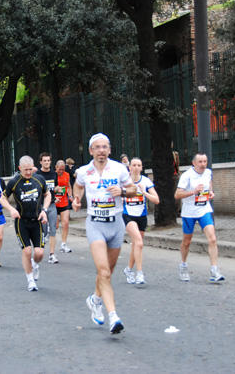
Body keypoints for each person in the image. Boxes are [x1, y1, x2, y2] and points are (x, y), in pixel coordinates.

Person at [73, 133, 136, 334]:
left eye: (105, 147)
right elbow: (78, 187)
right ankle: (113, 316)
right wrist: (76, 199)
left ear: (109, 149)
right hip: (95, 224)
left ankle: (95, 300)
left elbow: (134, 189)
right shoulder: (84, 171)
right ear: (91, 150)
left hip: (116, 224)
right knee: (104, 272)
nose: (101, 150)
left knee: (109, 268)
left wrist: (123, 192)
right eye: (97, 147)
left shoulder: (119, 169)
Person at [0, 155, 51, 291]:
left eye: (30, 169)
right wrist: (11, 209)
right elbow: (2, 198)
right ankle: (30, 281)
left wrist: (44, 210)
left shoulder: (39, 179)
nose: (28, 172)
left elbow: (48, 195)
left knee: (39, 253)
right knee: (27, 251)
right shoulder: (14, 182)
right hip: (21, 221)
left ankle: (34, 263)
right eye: (25, 170)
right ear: (19, 168)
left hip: (37, 221)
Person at [174, 153, 225, 282]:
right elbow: (177, 195)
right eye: (200, 162)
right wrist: (193, 191)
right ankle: (183, 265)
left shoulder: (208, 172)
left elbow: (209, 184)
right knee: (187, 242)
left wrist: (211, 192)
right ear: (194, 163)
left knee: (212, 238)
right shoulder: (186, 176)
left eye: (205, 161)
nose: (203, 164)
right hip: (189, 212)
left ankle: (214, 270)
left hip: (204, 209)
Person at [122, 157, 160, 285]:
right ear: (130, 167)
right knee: (139, 243)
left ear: (141, 168)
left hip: (142, 216)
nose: (136, 167)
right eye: (134, 165)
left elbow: (156, 200)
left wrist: (144, 192)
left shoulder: (146, 181)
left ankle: (128, 269)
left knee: (136, 245)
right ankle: (140, 273)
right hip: (128, 215)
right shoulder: (124, 181)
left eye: (139, 165)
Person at [38, 152, 61, 264]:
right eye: (45, 161)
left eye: (48, 160)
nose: (47, 163)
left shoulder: (53, 174)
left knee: (53, 229)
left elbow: (54, 186)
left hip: (52, 205)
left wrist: (57, 190)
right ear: (41, 162)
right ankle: (39, 251)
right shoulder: (37, 175)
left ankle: (52, 254)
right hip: (41, 206)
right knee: (42, 230)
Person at [55, 160, 73, 254]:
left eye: (63, 169)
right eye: (59, 169)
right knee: (56, 226)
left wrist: (70, 196)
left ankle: (63, 244)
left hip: (64, 202)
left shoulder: (67, 175)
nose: (61, 171)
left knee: (65, 223)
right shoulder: (52, 176)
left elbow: (69, 186)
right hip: (54, 203)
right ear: (55, 168)